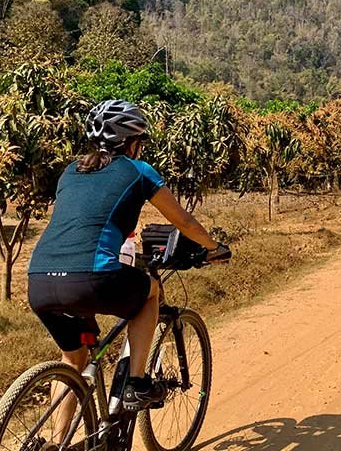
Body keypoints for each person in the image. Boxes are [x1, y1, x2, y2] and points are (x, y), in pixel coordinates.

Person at [27, 99, 230, 415]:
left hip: (39, 280)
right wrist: (213, 247)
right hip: (91, 278)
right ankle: (136, 383)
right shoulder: (138, 171)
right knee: (150, 291)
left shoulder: (70, 172)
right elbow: (184, 222)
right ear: (132, 142)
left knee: (73, 360)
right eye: (140, 141)